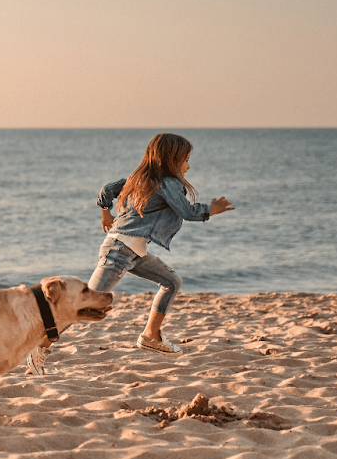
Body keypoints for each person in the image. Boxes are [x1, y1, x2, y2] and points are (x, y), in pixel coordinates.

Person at [85, 132, 234, 356]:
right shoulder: (168, 183)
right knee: (85, 304)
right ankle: (41, 342)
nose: (188, 167)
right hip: (119, 251)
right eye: (185, 160)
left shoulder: (141, 180)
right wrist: (211, 209)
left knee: (172, 281)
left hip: (131, 252)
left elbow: (107, 190)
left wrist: (105, 214)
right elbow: (186, 211)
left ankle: (150, 336)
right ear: (172, 160)